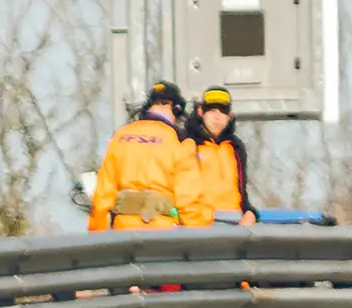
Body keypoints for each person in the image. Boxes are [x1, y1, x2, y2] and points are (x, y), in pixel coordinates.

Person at [88, 84, 190, 231]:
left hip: (123, 229)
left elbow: (103, 194)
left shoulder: (120, 136)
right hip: (164, 231)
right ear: (176, 108)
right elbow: (189, 196)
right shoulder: (179, 140)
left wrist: (97, 233)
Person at [179, 86, 255, 227]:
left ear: (230, 115)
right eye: (212, 109)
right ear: (201, 112)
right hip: (199, 223)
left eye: (223, 110)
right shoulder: (187, 142)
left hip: (235, 221)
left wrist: (250, 213)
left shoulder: (236, 147)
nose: (217, 116)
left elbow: (242, 191)